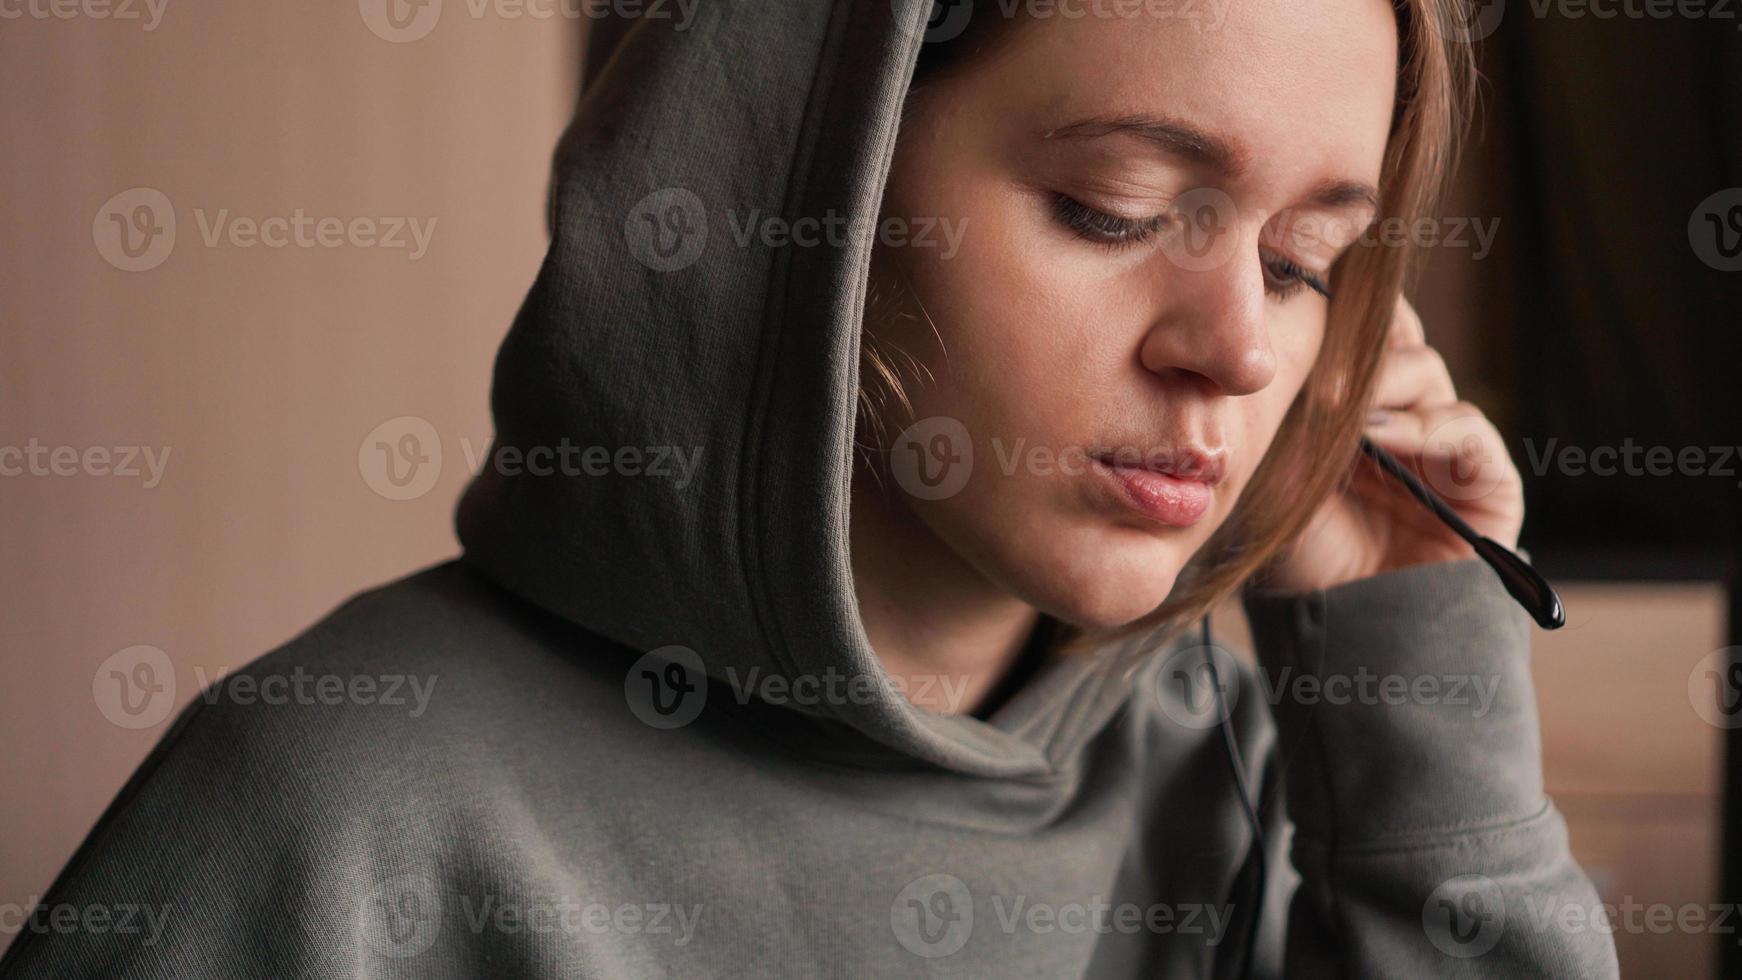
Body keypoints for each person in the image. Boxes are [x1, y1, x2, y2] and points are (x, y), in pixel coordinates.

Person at [0, 1, 1619, 976]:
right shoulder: (332, 807)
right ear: (803, 199)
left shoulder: (1219, 762)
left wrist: (1412, 695)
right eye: (1117, 209)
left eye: (1302, 260)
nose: (1238, 352)